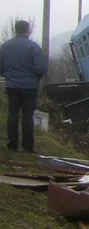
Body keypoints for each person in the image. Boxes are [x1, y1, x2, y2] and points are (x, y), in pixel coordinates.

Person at [0, 20, 48, 153]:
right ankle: (28, 146)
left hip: (12, 85)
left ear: (16, 30)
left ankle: (12, 145)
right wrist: (35, 77)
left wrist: (8, 75)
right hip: (30, 86)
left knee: (13, 113)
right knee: (28, 115)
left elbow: (1, 66)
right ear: (28, 31)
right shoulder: (33, 47)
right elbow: (41, 68)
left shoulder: (5, 46)